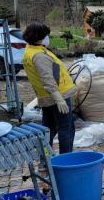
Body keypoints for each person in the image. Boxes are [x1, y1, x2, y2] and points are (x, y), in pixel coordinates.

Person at [22, 23, 76, 154]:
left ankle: (45, 159)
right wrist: (59, 99)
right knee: (66, 129)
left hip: (46, 97)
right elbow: (47, 78)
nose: (48, 37)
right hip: (57, 97)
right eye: (46, 35)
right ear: (39, 37)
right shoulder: (39, 56)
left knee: (48, 130)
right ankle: (66, 159)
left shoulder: (31, 51)